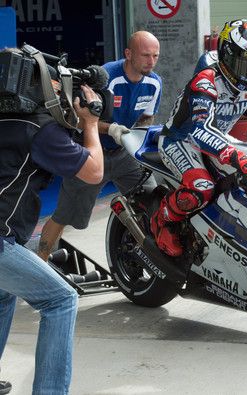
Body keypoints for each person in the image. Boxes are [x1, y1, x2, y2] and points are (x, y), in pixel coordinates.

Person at [0, 48, 104, 394]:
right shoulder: (39, 130)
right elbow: (94, 171)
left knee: (3, 293)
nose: (63, 93)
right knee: (60, 300)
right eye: (59, 85)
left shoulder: (11, 120)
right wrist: (91, 123)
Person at [151, 19, 247, 257]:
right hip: (182, 140)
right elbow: (200, 130)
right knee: (202, 188)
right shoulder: (207, 80)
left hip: (218, 141)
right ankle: (163, 219)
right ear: (227, 56)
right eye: (245, 64)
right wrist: (235, 155)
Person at [37, 31, 162, 261]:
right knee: (64, 215)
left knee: (153, 201)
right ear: (128, 54)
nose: (151, 61)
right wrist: (111, 129)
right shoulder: (105, 78)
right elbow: (82, 116)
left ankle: (155, 263)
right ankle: (40, 265)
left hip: (124, 152)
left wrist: (137, 136)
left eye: (155, 56)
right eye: (145, 55)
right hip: (91, 151)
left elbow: (147, 117)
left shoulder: (155, 82)